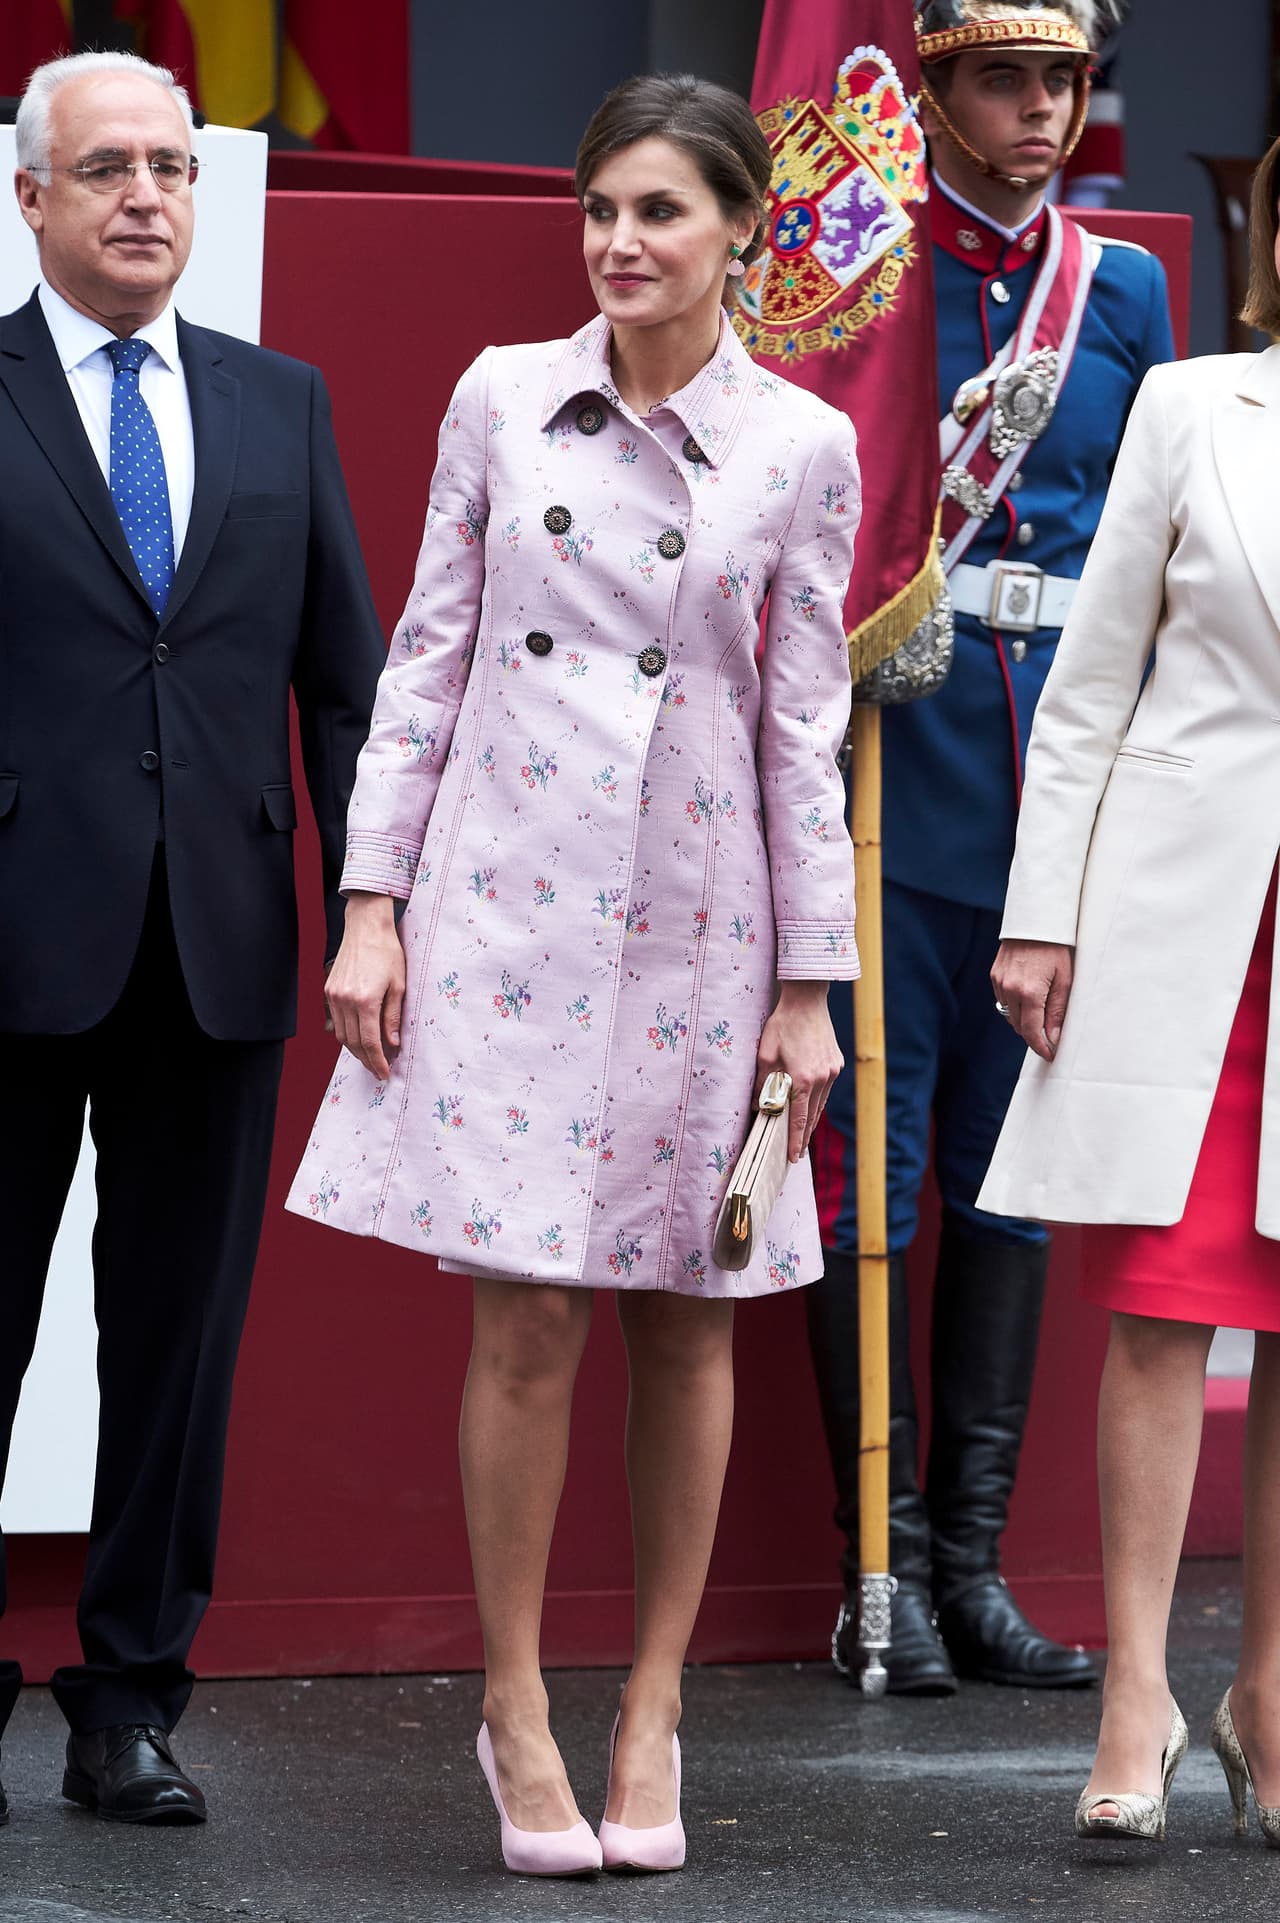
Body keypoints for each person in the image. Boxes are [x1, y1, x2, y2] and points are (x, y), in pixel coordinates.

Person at [287, 72, 861, 1877]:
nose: (620, 243)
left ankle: (658, 1705)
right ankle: (517, 1702)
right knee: (523, 1310)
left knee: (693, 1313)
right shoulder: (499, 400)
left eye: (659, 213)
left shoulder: (802, 448)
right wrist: (370, 903)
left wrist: (813, 981)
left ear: (739, 232)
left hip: (706, 920)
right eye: (600, 209)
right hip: (511, 908)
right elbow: (426, 660)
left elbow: (801, 727)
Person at [0, 52, 383, 1823]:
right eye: (105, 169)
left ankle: (129, 1700)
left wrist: (369, 909)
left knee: (176, 1347)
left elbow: (343, 695)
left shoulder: (277, 403)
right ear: (32, 198)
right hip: (8, 943)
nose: (145, 194)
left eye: (169, 165)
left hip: (217, 949)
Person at [805, 0, 1174, 1695]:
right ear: (932, 87)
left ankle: (976, 1567)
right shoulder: (864, 284)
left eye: (1063, 82)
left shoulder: (1124, 290)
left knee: (1010, 1189)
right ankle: (873, 1567)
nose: (1039, 112)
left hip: (1054, 791)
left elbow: (1149, 543)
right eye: (1005, 81)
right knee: (871, 1187)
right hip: (896, 767)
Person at [980, 133, 1280, 1843]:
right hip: (1184, 928)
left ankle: (1271, 1696)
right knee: (1163, 1307)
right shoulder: (1189, 403)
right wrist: (1045, 918)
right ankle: (1138, 1692)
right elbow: (1090, 685)